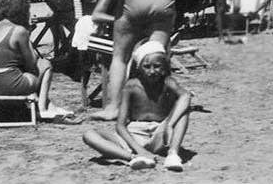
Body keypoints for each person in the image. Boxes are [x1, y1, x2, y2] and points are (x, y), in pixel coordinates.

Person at [82, 41, 191, 171]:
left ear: (164, 67)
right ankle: (132, 157)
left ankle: (173, 154)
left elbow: (186, 96)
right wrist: (139, 150)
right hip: (134, 135)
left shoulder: (168, 83)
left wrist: (169, 124)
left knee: (184, 111)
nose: (152, 71)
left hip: (160, 133)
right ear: (139, 67)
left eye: (157, 66)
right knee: (89, 134)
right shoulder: (131, 86)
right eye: (146, 66)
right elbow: (120, 126)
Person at [0, 0, 69, 119]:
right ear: (22, 11)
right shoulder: (18, 30)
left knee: (21, 70)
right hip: (8, 86)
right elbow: (32, 63)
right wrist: (28, 33)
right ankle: (42, 109)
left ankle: (50, 106)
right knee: (45, 64)